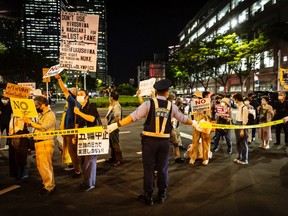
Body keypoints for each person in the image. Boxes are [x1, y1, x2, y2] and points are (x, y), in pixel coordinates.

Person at [107, 79, 196, 205]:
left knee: (149, 169)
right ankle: (162, 194)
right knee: (163, 168)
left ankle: (148, 196)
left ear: (156, 91)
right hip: (164, 141)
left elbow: (133, 116)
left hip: (149, 141)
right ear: (167, 92)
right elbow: (183, 118)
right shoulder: (172, 106)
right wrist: (194, 123)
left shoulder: (149, 104)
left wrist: (117, 125)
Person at [22, 96, 56, 196]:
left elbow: (43, 127)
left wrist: (31, 123)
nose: (36, 107)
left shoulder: (50, 115)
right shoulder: (42, 114)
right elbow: (38, 126)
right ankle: (47, 182)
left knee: (45, 166)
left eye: (37, 105)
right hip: (40, 142)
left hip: (45, 142)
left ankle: (49, 186)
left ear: (43, 105)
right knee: (42, 166)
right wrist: (31, 124)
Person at [73, 89, 102, 192]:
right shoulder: (79, 108)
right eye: (78, 95)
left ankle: (89, 183)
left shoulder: (91, 106)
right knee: (82, 161)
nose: (79, 96)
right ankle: (86, 181)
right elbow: (77, 124)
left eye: (81, 94)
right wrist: (74, 135)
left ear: (87, 97)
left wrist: (79, 113)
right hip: (81, 138)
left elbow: (92, 119)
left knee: (89, 161)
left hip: (91, 137)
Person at [55, 73, 82, 178]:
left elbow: (64, 90)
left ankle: (77, 171)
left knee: (73, 152)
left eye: (69, 93)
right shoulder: (71, 103)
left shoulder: (72, 102)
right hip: (66, 131)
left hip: (71, 132)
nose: (66, 95)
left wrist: (59, 79)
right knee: (68, 151)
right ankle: (74, 166)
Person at [189, 90, 212, 165]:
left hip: (205, 125)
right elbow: (192, 115)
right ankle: (193, 157)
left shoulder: (206, 104)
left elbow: (209, 116)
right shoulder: (193, 105)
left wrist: (203, 113)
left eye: (195, 97)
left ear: (200, 97)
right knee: (195, 142)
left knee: (205, 142)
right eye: (193, 97)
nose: (194, 98)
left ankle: (205, 158)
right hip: (196, 125)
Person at [8, 115, 29, 180]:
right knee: (16, 156)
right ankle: (17, 173)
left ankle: (22, 172)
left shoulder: (23, 114)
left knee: (21, 156)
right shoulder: (14, 116)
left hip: (20, 135)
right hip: (14, 134)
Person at [105, 90, 123, 166]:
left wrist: (111, 124)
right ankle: (113, 158)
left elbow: (117, 118)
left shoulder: (116, 106)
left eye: (110, 96)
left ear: (112, 97)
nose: (109, 98)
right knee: (112, 143)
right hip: (111, 127)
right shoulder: (113, 105)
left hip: (113, 127)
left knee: (115, 143)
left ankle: (118, 159)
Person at [168, 93, 185, 163]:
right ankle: (177, 157)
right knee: (174, 142)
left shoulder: (172, 106)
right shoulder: (171, 105)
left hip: (170, 126)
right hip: (169, 126)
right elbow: (181, 116)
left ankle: (177, 157)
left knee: (175, 142)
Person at [232, 93, 249, 165]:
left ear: (237, 99)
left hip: (242, 125)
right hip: (237, 124)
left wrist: (242, 129)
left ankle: (245, 159)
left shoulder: (244, 108)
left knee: (243, 143)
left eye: (234, 99)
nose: (233, 101)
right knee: (238, 142)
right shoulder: (238, 107)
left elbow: (245, 120)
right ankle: (240, 157)